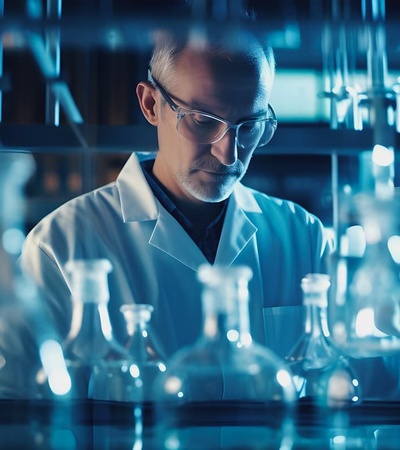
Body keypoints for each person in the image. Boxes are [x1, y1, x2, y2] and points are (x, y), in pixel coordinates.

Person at [14, 27, 334, 394]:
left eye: (250, 126)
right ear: (151, 104)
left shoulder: (303, 236)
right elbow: (25, 415)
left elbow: (364, 396)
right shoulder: (60, 245)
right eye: (202, 120)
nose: (229, 153)